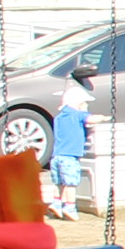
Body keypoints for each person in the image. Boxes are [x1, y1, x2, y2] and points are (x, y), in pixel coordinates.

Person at [46, 61, 94, 223]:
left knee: (59, 182)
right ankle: (70, 207)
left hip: (57, 156)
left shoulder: (60, 117)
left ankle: (56, 203)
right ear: (78, 104)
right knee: (71, 183)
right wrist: (102, 118)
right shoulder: (77, 115)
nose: (86, 106)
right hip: (70, 156)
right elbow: (91, 119)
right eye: (85, 103)